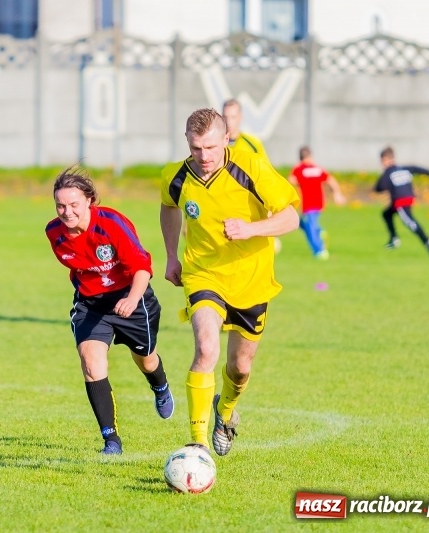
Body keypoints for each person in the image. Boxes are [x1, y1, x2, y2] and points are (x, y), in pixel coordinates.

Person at [159, 108, 300, 456]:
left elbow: (291, 217)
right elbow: (169, 206)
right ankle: (198, 443)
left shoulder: (249, 166)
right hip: (203, 273)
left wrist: (250, 228)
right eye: (195, 148)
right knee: (206, 349)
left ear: (226, 139)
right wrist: (171, 255)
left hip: (252, 279)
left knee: (240, 368)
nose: (203, 156)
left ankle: (224, 413)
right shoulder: (175, 176)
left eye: (210, 147)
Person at [46, 166, 174, 455]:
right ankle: (111, 440)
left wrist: (130, 299)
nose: (67, 212)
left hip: (132, 298)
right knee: (91, 363)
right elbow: (80, 267)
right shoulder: (54, 233)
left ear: (89, 200)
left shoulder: (112, 224)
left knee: (146, 359)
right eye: (61, 205)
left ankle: (160, 385)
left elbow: (142, 267)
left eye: (74, 204)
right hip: (91, 304)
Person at [374, 146, 429, 258]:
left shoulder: (388, 173)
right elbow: (417, 169)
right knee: (386, 214)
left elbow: (379, 187)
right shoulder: (404, 169)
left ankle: (428, 242)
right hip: (408, 198)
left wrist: (385, 188)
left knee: (410, 223)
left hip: (400, 201)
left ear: (386, 159)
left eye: (382, 161)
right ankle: (394, 238)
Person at [287, 145, 346, 259]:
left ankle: (319, 251)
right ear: (310, 156)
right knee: (299, 222)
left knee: (309, 225)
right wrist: (337, 194)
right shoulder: (317, 168)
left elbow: (290, 181)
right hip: (319, 202)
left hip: (308, 203)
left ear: (300, 157)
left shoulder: (299, 169)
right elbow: (331, 180)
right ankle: (319, 231)